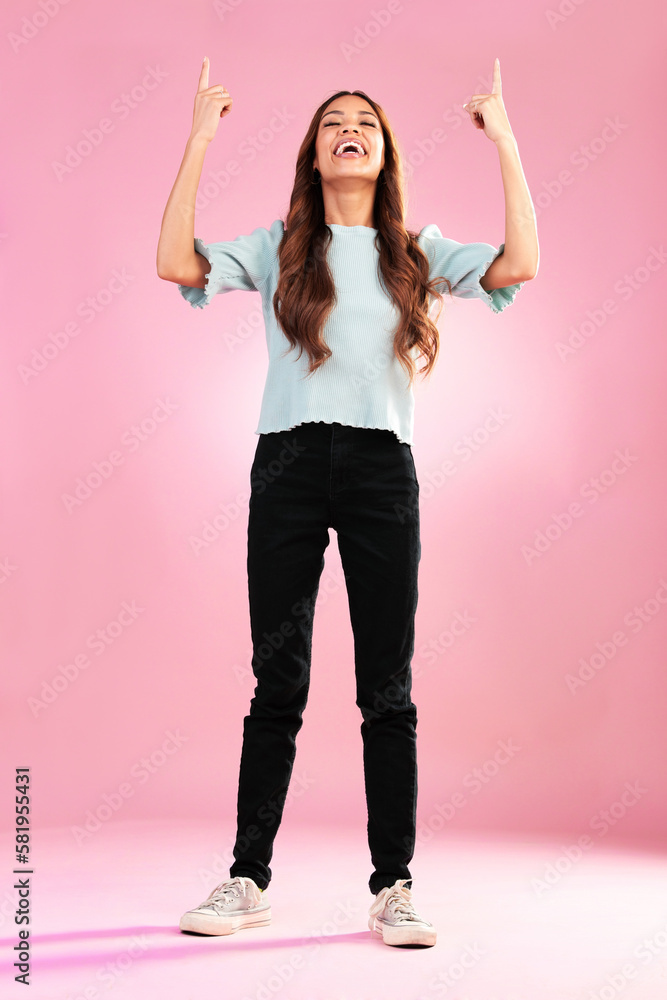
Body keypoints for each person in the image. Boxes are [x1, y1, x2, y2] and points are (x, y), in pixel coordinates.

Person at [157, 55, 538, 949]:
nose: (349, 127)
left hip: (378, 473)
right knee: (277, 683)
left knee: (387, 690)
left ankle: (393, 885)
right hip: (287, 466)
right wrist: (201, 134)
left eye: (364, 119)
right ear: (315, 154)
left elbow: (522, 261)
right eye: (333, 120)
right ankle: (246, 876)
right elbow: (173, 258)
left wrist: (504, 139)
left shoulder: (416, 251)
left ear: (383, 152)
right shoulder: (278, 244)